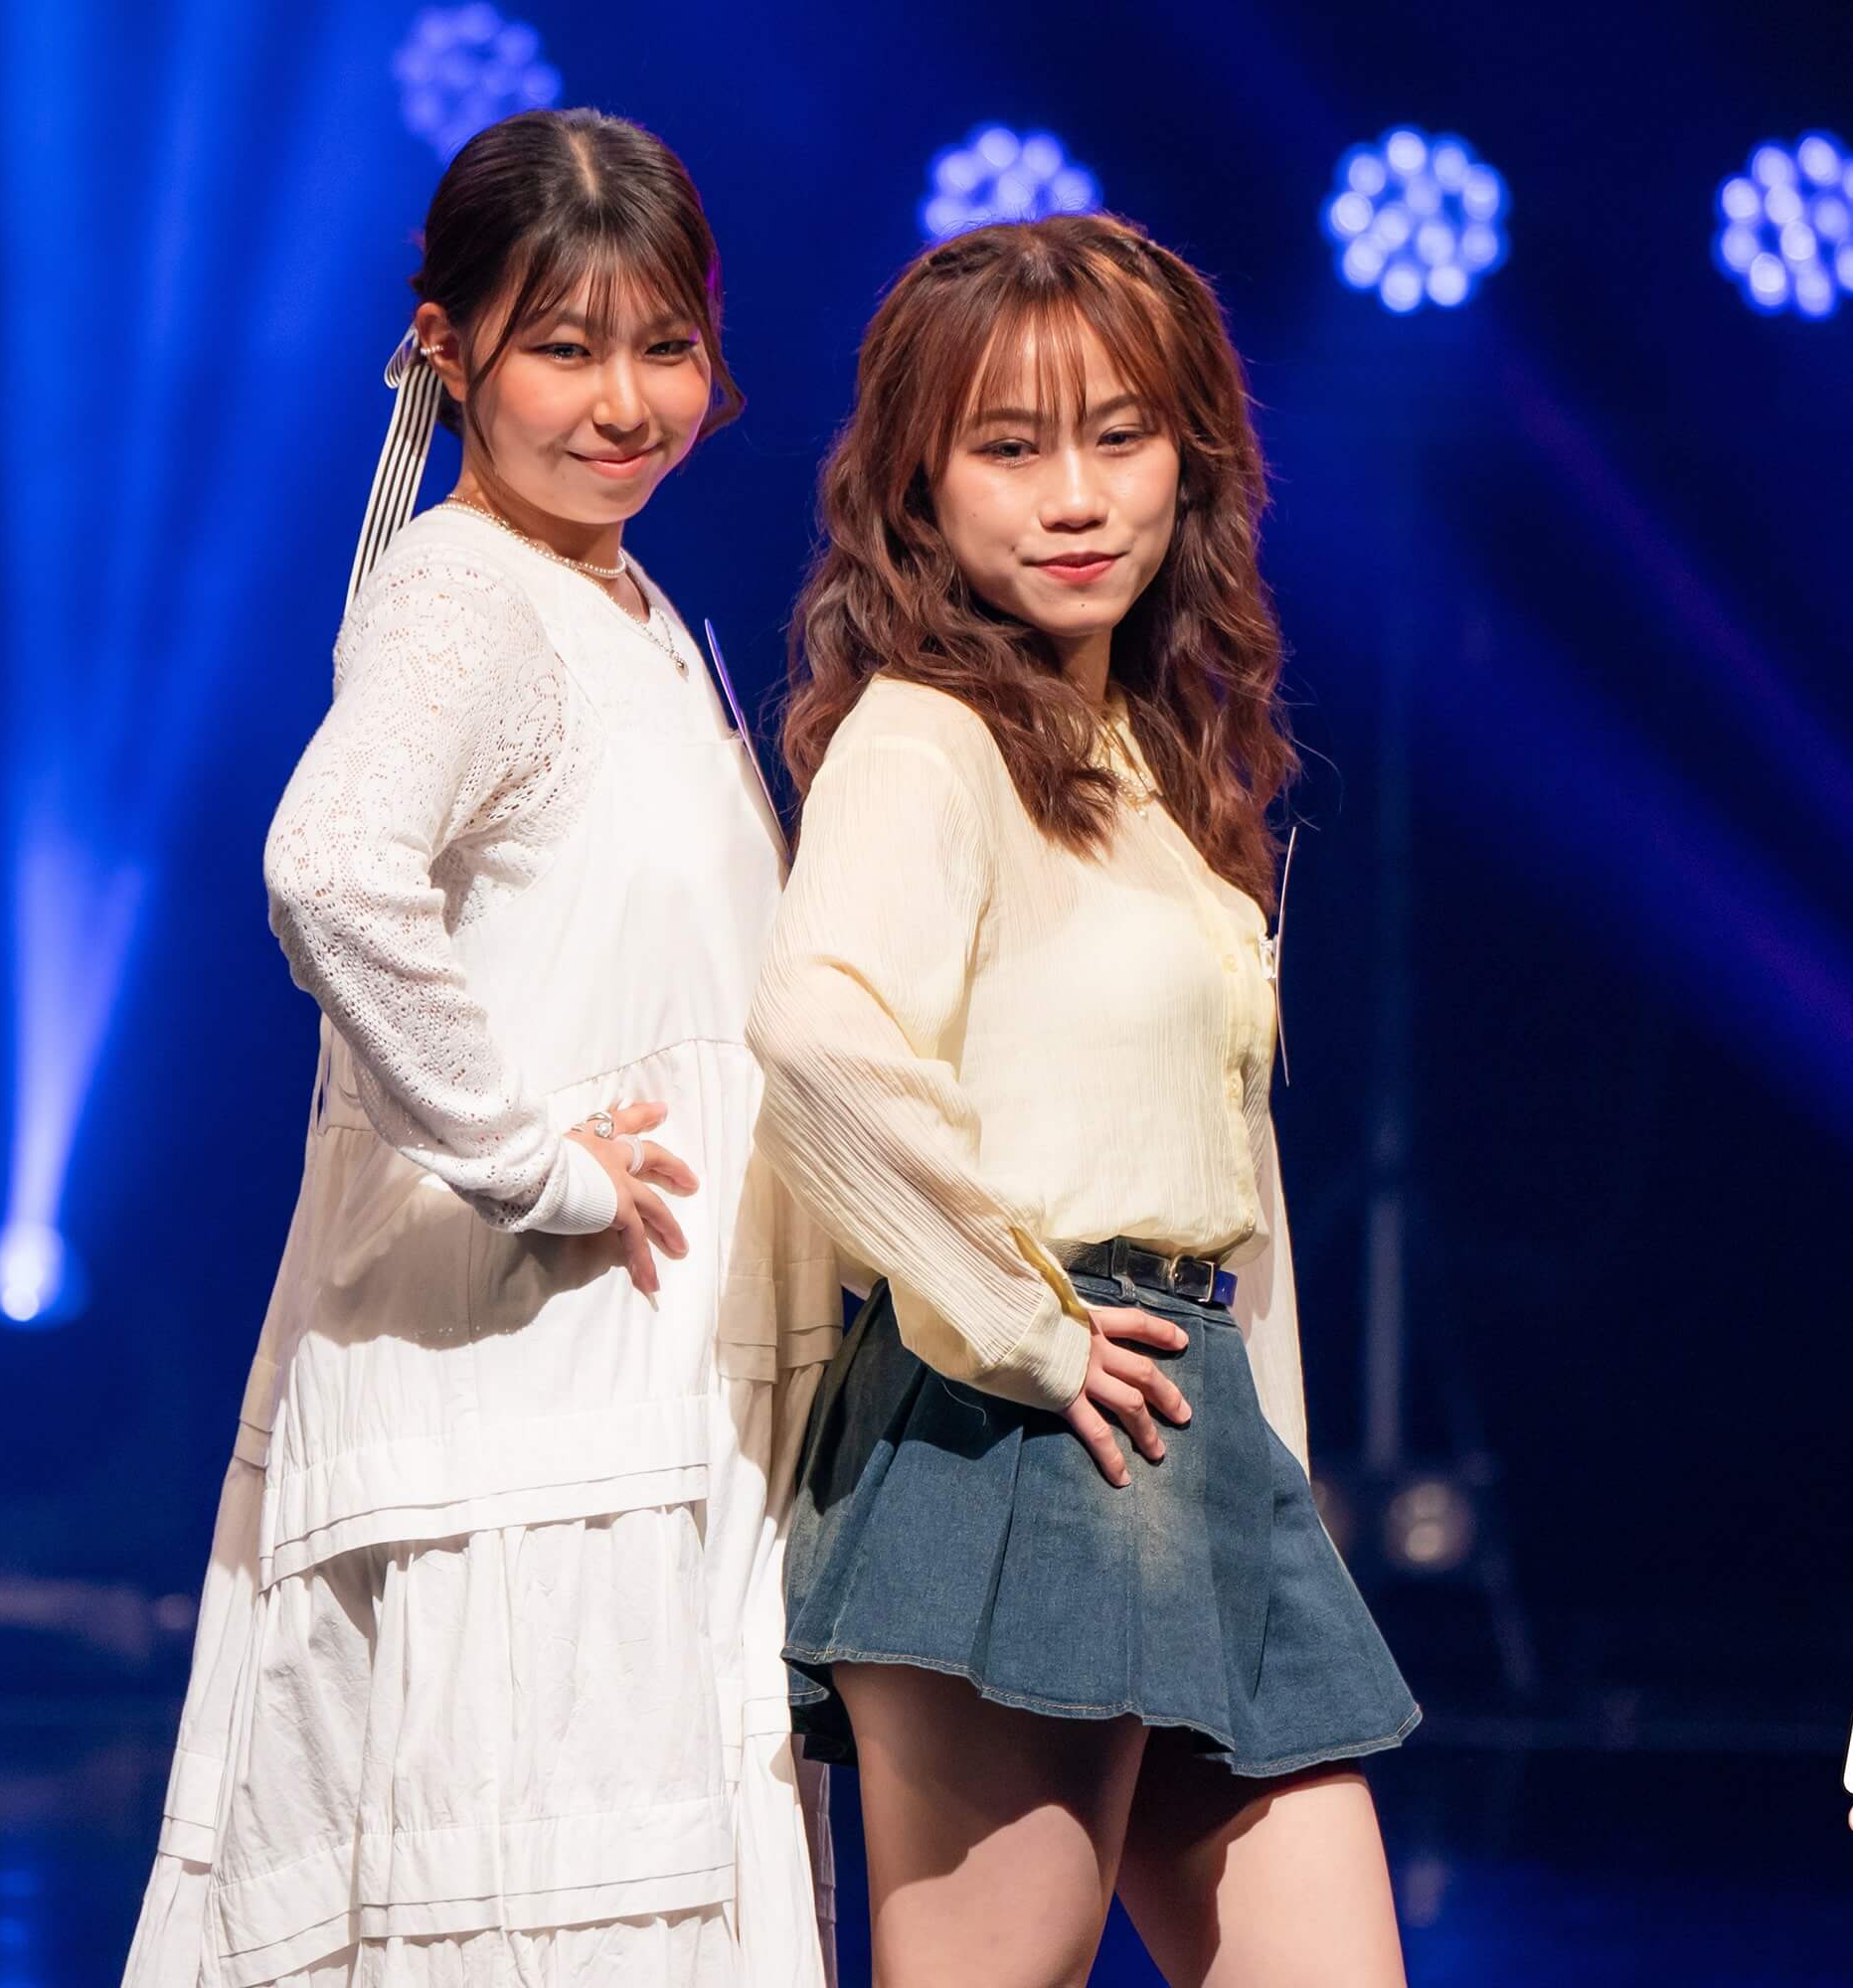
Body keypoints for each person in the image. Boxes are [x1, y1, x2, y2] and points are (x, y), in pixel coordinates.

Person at [125, 107, 837, 1988]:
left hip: (637, 1386)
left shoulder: (624, 604)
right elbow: (330, 867)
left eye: (665, 346)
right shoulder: (466, 593)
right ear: (446, 349)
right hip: (525, 1376)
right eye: (565, 346)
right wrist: (532, 1157)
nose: (626, 402)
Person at [746, 212, 1422, 1987]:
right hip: (1016, 1426)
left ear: (1190, 459)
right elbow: (813, 1039)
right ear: (919, 484)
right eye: (1010, 447)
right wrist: (1023, 1326)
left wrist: (1276, 1467)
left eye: (1121, 437)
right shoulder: (925, 736)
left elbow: (1231, 1175)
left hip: (1194, 1433)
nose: (1076, 498)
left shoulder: (1159, 767)